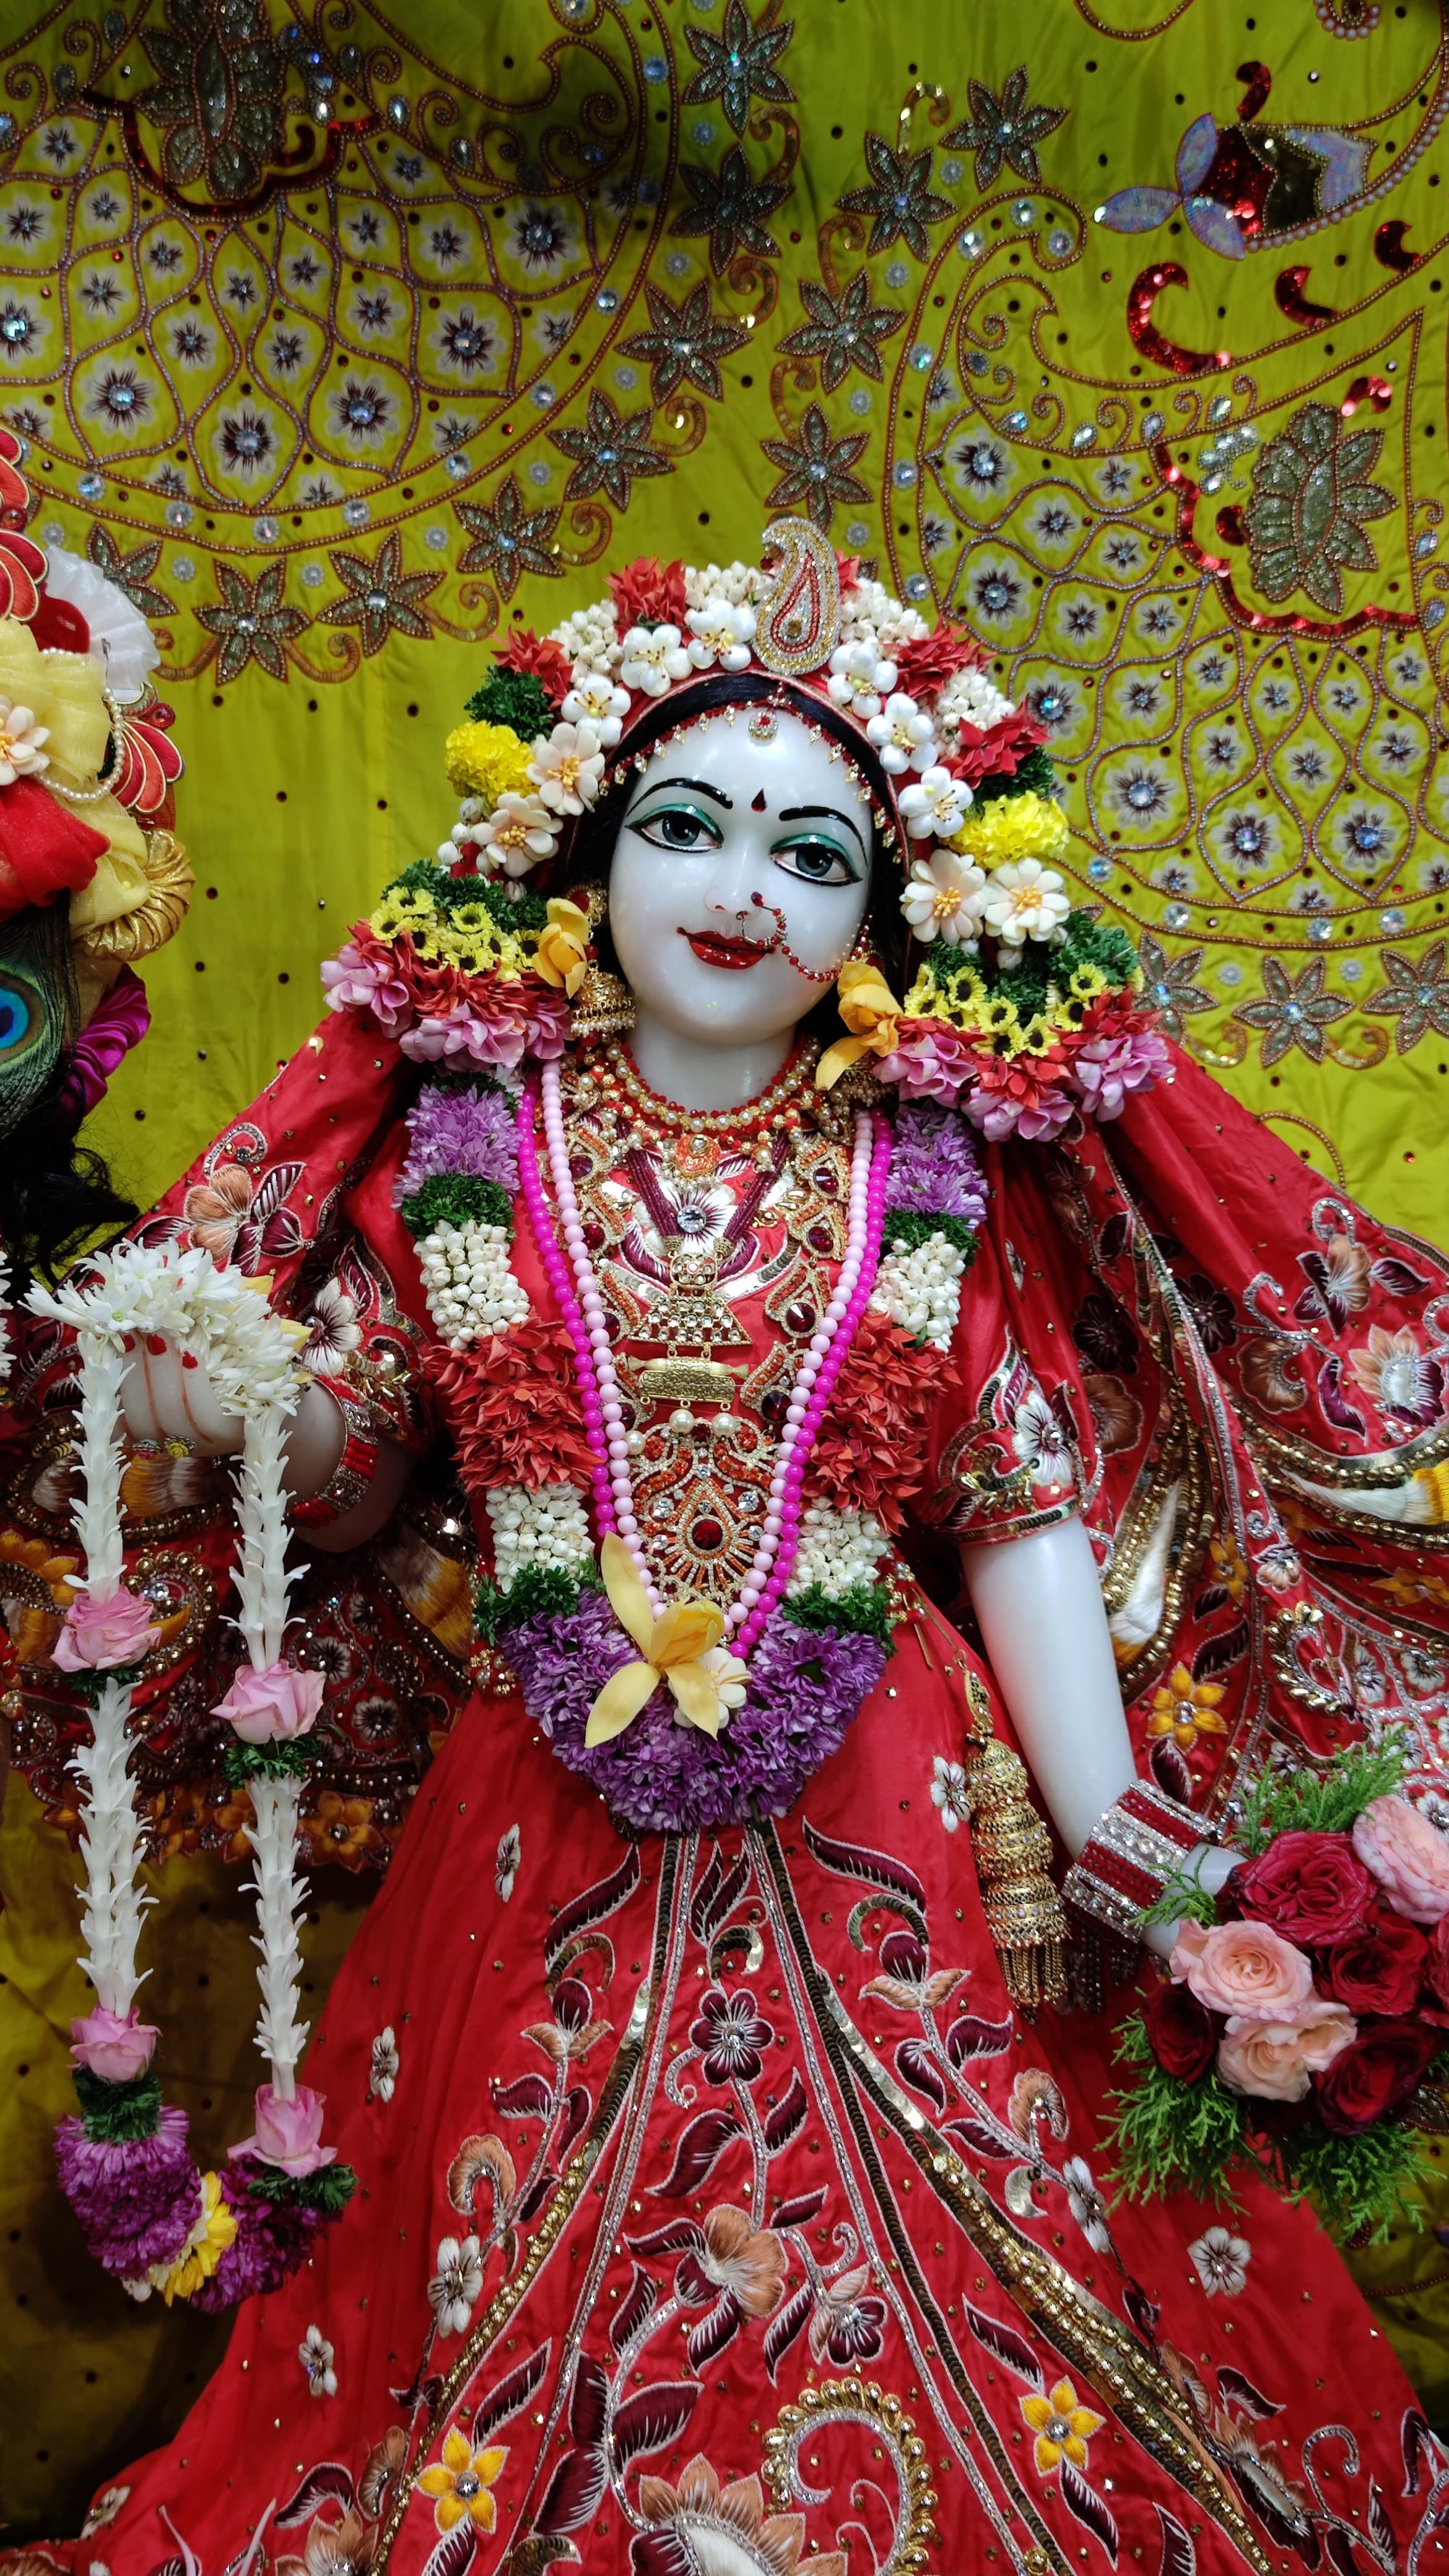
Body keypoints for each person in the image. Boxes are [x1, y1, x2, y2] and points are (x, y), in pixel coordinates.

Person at [15, 525, 1449, 2576]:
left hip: (897, 1798)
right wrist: (255, 1406)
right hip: (544, 1801)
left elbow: (1017, 1506)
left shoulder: (934, 1170)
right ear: (591, 858)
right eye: (686, 827)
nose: (742, 889)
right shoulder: (473, 1140)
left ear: (882, 911)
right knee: (498, 2246)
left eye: (812, 854)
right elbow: (366, 1471)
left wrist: (1132, 1846)